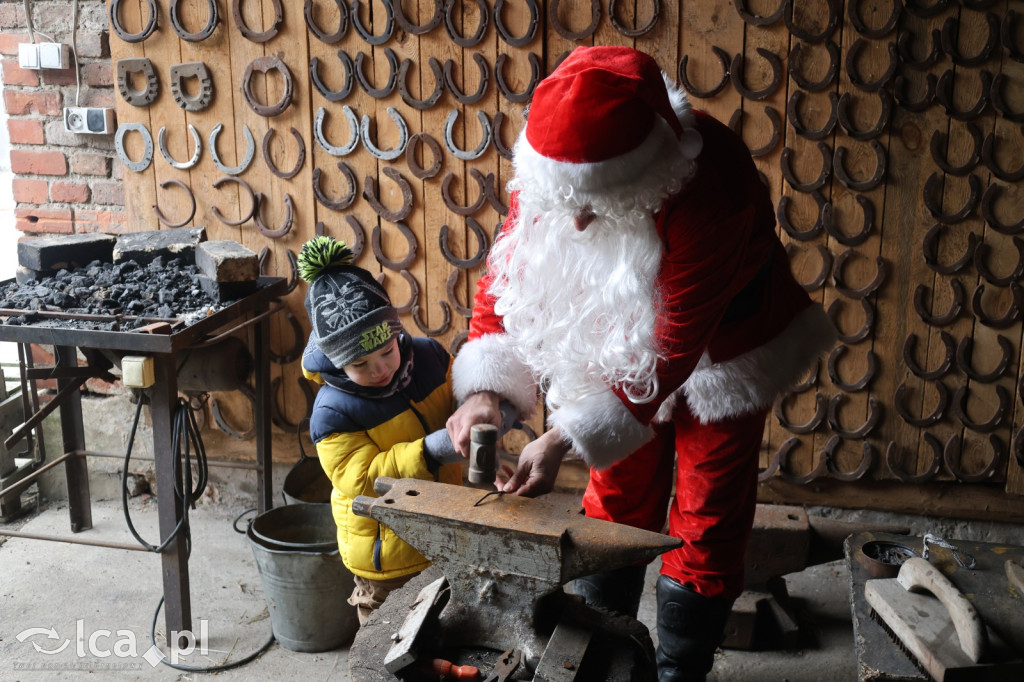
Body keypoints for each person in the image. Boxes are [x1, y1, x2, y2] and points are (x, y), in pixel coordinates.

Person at [447, 46, 837, 681]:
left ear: (639, 173)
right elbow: (511, 279)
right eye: (563, 199)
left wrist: (563, 435)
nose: (573, 218)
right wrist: (485, 391)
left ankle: (682, 668)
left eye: (593, 202)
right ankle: (612, 649)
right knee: (619, 493)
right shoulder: (558, 174)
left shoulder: (714, 185)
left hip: (728, 348)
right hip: (620, 336)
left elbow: (672, 351)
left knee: (708, 509)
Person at [298, 235, 464, 625]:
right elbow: (365, 478)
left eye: (387, 352)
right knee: (386, 634)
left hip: (444, 529)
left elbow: (461, 402)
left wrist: (484, 407)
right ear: (337, 363)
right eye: (360, 364)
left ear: (396, 332)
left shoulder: (431, 358)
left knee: (440, 627)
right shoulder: (331, 412)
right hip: (387, 551)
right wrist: (432, 450)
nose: (381, 370)